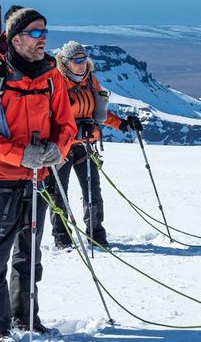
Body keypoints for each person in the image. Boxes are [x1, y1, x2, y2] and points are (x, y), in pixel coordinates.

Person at [0, 6, 77, 342]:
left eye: (45, 32)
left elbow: (66, 124)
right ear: (16, 38)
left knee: (30, 254)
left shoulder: (52, 76)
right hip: (1, 179)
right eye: (36, 32)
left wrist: (58, 149)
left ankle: (27, 319)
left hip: (38, 177)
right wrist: (21, 155)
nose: (44, 39)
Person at [46, 40, 143, 250]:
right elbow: (49, 116)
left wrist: (123, 125)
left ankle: (96, 235)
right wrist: (73, 129)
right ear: (65, 63)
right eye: (77, 60)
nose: (82, 64)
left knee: (93, 192)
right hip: (61, 148)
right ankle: (62, 238)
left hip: (86, 145)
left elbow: (100, 113)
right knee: (59, 193)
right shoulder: (57, 83)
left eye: (84, 59)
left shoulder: (91, 81)